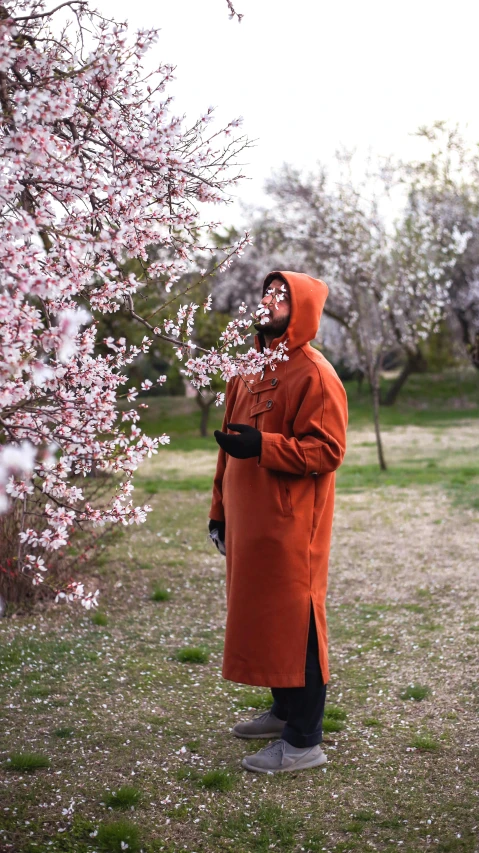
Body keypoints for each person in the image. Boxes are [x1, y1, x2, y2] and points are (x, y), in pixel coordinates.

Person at [208, 270, 348, 774]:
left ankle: (304, 740)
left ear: (303, 309)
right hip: (249, 523)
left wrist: (263, 446)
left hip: (292, 524)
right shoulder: (245, 368)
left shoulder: (315, 374)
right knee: (265, 616)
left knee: (297, 622)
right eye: (267, 292)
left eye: (282, 295)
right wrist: (218, 512)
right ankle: (282, 710)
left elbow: (328, 450)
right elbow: (227, 449)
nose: (270, 300)